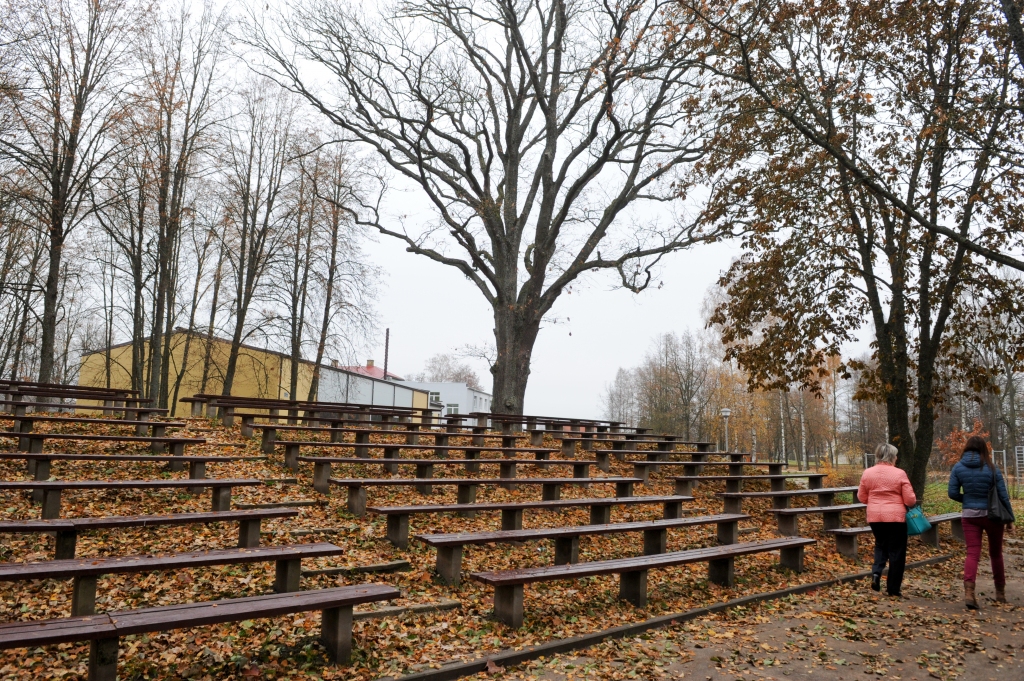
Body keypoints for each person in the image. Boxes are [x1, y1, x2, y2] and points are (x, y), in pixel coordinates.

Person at [948, 435, 1014, 609]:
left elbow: (952, 493)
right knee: (996, 553)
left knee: (972, 553)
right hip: (993, 516)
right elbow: (1002, 495)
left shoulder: (958, 467)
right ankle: (1000, 594)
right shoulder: (992, 468)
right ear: (984, 449)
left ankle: (969, 593)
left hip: (970, 515)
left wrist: (968, 500)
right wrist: (1009, 518)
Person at [858, 443, 917, 597]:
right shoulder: (899, 473)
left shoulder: (868, 473)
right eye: (896, 455)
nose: (897, 458)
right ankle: (893, 588)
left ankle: (876, 573)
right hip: (895, 517)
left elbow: (861, 497)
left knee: (880, 544)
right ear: (892, 457)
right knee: (897, 552)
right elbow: (910, 500)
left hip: (875, 516)